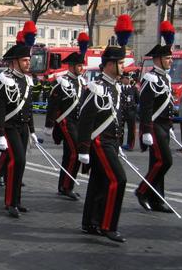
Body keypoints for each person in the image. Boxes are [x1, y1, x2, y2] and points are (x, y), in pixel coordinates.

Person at [78, 45, 127, 243]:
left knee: (99, 181)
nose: (123, 66)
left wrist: (118, 143)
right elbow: (85, 119)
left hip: (110, 142)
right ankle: (108, 225)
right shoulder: (96, 87)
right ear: (109, 64)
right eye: (121, 63)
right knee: (118, 180)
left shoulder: (114, 86)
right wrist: (83, 148)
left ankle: (90, 222)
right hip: (99, 142)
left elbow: (116, 118)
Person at [0, 20, 38, 218]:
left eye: (29, 60)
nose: (28, 63)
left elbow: (28, 108)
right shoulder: (5, 79)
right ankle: (10, 202)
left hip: (23, 128)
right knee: (16, 160)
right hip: (9, 127)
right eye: (25, 60)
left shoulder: (27, 80)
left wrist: (33, 131)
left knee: (22, 162)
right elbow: (0, 108)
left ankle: (17, 200)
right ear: (14, 62)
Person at [136, 41, 175, 214]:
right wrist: (146, 130)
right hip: (154, 126)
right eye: (168, 58)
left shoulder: (165, 77)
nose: (171, 61)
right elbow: (146, 107)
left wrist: (170, 125)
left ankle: (157, 199)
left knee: (156, 163)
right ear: (158, 60)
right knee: (164, 161)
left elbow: (167, 104)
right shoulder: (150, 78)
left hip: (164, 126)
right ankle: (142, 190)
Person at [45, 50, 86, 200]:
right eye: (79, 66)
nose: (82, 68)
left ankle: (63, 185)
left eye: (82, 65)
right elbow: (53, 105)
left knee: (69, 155)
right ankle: (67, 186)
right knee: (75, 153)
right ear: (71, 66)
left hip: (78, 122)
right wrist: (49, 125)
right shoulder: (62, 82)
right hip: (65, 122)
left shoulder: (82, 82)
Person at [120, 73, 139, 151]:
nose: (127, 80)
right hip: (121, 111)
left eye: (128, 78)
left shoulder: (133, 88)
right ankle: (119, 144)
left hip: (131, 111)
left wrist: (134, 107)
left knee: (131, 129)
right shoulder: (119, 88)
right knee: (120, 129)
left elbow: (137, 99)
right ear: (122, 79)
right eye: (125, 78)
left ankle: (130, 145)